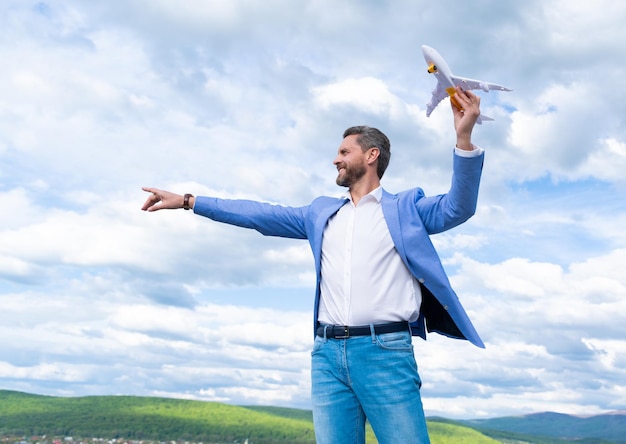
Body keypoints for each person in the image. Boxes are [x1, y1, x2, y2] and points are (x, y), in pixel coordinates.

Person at [141, 86, 485, 444]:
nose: (335, 159)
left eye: (343, 152)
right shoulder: (321, 213)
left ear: (371, 155)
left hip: (385, 352)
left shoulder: (405, 208)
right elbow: (261, 215)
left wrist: (463, 138)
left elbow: (458, 208)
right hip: (326, 356)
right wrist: (188, 201)